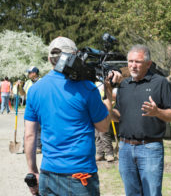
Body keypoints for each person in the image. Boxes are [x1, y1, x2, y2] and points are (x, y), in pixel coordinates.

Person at [24, 36, 122, 196]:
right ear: (74, 56)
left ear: (49, 59)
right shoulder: (87, 88)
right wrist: (109, 91)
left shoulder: (35, 90)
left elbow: (29, 136)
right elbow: (103, 127)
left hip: (48, 174)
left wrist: (32, 171)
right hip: (80, 176)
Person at [111, 44, 171, 196]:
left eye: (138, 62)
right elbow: (118, 115)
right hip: (125, 149)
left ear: (148, 64)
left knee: (152, 193)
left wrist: (157, 112)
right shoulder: (124, 85)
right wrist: (108, 111)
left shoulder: (160, 83)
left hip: (150, 148)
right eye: (130, 61)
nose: (133, 65)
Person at [19, 66, 42, 153]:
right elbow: (22, 94)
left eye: (29, 72)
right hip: (29, 108)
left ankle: (38, 147)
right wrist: (20, 87)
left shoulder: (42, 81)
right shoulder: (28, 82)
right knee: (28, 128)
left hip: (39, 108)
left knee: (39, 128)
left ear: (34, 73)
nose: (28, 74)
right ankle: (26, 146)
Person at [95, 81, 117, 162]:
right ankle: (99, 153)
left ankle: (109, 154)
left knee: (104, 133)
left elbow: (113, 96)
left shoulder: (107, 84)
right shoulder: (95, 85)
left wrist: (111, 102)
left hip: (104, 113)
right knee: (97, 135)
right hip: (95, 113)